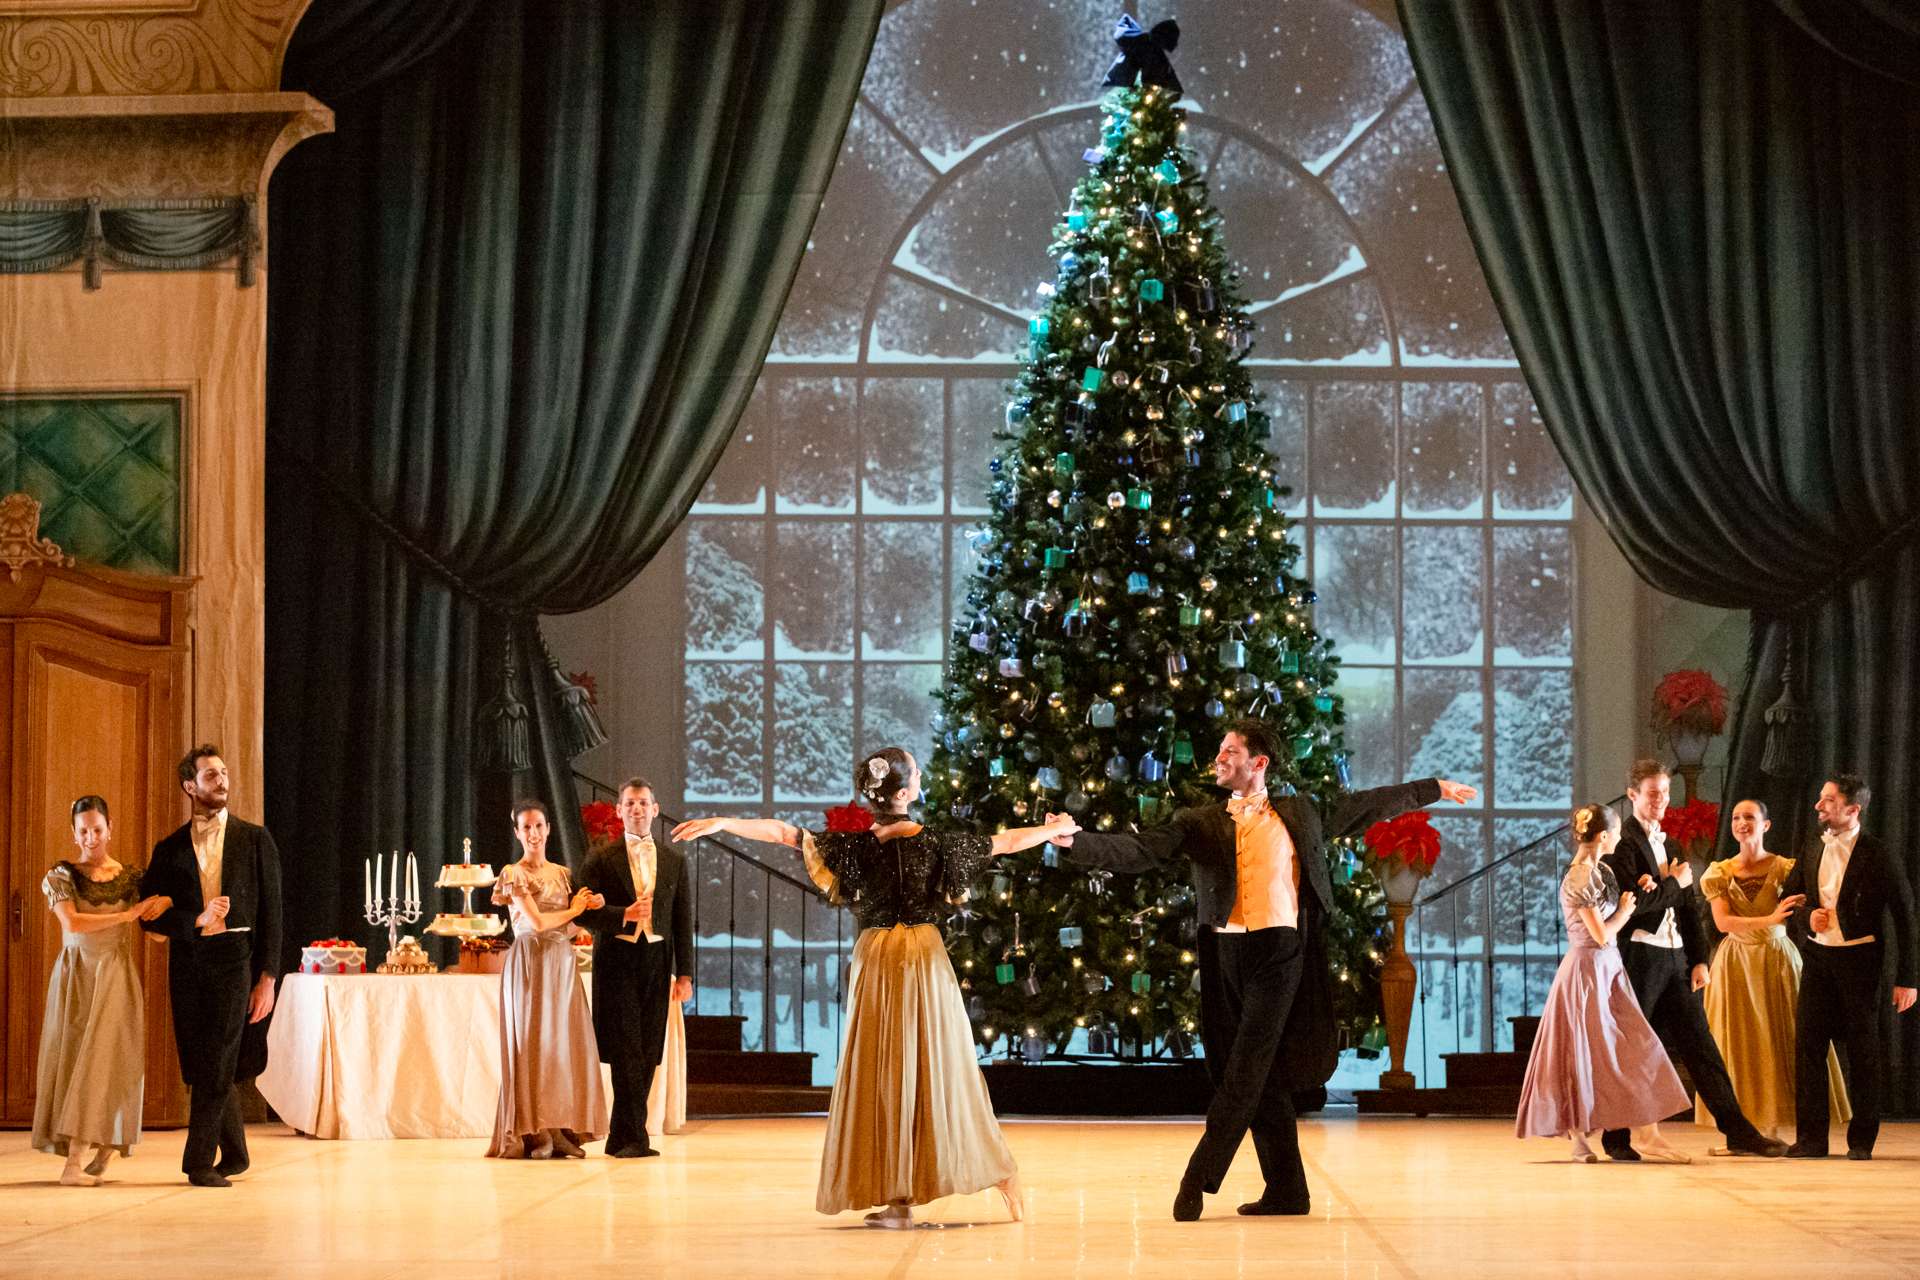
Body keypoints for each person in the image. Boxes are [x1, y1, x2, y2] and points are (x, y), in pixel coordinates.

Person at [1048, 718, 1476, 1220]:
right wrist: (1076, 843)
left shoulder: (1302, 813)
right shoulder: (1199, 820)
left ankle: (1198, 1177)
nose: (1219, 758)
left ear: (1259, 762)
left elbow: (1368, 804)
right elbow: (1142, 850)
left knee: (1247, 1068)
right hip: (1227, 953)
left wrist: (1434, 788)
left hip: (1281, 951)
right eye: (1219, 750)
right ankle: (1288, 1190)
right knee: (1253, 1071)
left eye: (1230, 750)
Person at [673, 747, 1075, 1229]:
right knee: (927, 1070)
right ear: (904, 793)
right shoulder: (925, 844)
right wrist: (1052, 830)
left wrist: (724, 821)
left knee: (892, 1072)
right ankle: (906, 1196)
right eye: (917, 773)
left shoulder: (857, 848)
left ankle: (960, 1181)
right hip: (918, 958)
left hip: (884, 959)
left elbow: (784, 833)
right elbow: (1005, 842)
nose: (922, 776)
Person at [1598, 760, 1784, 1160]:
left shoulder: (1673, 843)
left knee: (1702, 1046)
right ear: (1632, 796)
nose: (1661, 800)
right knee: (1630, 1048)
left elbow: (1688, 906)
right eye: (1652, 793)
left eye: (1665, 792)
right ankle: (1616, 1138)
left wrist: (1699, 958)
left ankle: (1738, 1132)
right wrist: (1672, 883)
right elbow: (1636, 907)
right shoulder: (1622, 845)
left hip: (1676, 960)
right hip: (1640, 959)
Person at [140, 746, 284, 1187]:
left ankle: (198, 1161)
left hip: (235, 961)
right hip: (188, 961)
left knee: (220, 1057)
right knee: (199, 1063)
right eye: (209, 775)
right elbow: (147, 914)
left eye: (223, 772)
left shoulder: (256, 839)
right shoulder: (168, 849)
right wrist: (194, 921)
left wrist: (267, 977)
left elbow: (274, 913)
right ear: (190, 786)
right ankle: (236, 1153)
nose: (221, 780)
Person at [1516, 803, 1691, 1161]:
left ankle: (1646, 1131)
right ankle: (1580, 1136)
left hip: (1607, 969)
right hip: (1587, 970)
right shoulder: (1581, 875)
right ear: (1603, 837)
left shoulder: (1599, 871)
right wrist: (1625, 913)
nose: (1619, 839)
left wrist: (1640, 891)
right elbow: (1599, 934)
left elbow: (1610, 916)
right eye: (1614, 834)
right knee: (1580, 1052)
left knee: (1632, 1045)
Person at [34, 796, 170, 1185]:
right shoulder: (62, 874)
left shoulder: (130, 877)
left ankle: (105, 1145)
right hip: (77, 975)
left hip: (115, 974)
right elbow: (73, 924)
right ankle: (74, 1162)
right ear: (73, 833)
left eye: (97, 829)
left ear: (110, 828)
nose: (91, 837)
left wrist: (167, 905)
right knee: (79, 1059)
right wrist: (127, 914)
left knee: (113, 1059)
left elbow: (156, 933)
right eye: (83, 831)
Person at [1695, 798, 1848, 1143]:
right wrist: (1770, 919)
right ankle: (1745, 1128)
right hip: (1736, 960)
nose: (1741, 822)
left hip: (1777, 957)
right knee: (1737, 1041)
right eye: (1736, 817)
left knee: (1781, 1038)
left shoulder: (1783, 868)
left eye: (1749, 816)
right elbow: (1722, 922)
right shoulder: (1719, 872)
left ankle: (1780, 1122)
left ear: (1766, 825)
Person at [1783, 775, 1917, 1160]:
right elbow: (1791, 898)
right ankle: (1811, 1138)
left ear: (1853, 809)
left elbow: (1905, 915)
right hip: (1817, 959)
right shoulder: (1811, 845)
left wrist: (1908, 979)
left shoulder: (1878, 852)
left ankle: (1861, 1140)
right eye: (1820, 798)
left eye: (1827, 800)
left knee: (1863, 1051)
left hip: (1860, 962)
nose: (1818, 806)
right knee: (1808, 1046)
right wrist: (1807, 917)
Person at [576, 777, 692, 1158]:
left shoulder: (674, 860)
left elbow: (681, 920)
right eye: (630, 803)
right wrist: (621, 915)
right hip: (617, 961)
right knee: (625, 1048)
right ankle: (634, 1137)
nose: (638, 809)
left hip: (657, 961)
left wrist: (686, 973)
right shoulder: (600, 858)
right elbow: (583, 914)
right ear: (619, 811)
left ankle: (621, 1134)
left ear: (655, 809)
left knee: (648, 1049)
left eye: (644, 803)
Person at [486, 798, 609, 1159]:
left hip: (561, 962)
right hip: (529, 962)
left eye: (539, 825)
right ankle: (533, 1132)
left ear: (549, 828)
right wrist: (576, 908)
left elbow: (567, 928)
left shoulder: (562, 874)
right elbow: (537, 923)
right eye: (526, 827)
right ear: (517, 832)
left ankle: (558, 1129)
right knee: (533, 1045)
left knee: (562, 1047)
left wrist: (590, 910)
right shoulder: (513, 873)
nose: (534, 833)